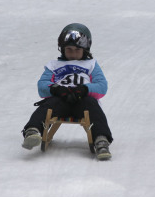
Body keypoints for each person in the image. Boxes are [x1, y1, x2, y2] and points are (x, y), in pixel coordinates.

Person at [21, 23, 113, 160]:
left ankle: (101, 139)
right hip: (60, 99)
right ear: (62, 49)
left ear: (85, 49)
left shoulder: (91, 65)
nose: (73, 53)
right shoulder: (53, 65)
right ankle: (33, 131)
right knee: (47, 105)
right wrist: (56, 89)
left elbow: (101, 86)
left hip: (83, 100)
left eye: (77, 49)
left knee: (93, 106)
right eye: (69, 49)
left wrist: (85, 89)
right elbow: (42, 85)